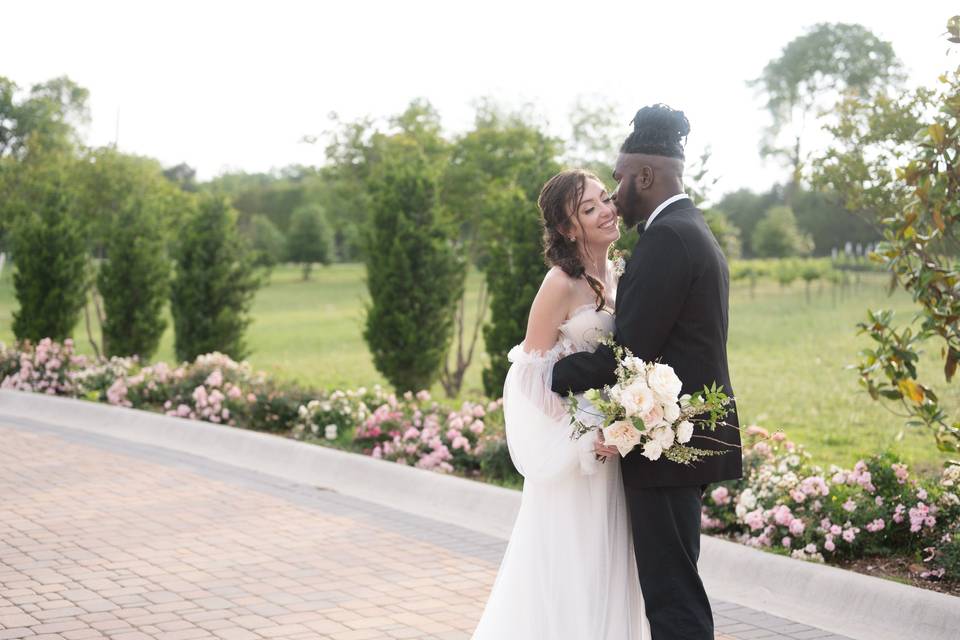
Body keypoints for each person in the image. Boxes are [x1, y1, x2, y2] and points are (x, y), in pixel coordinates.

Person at [551, 104, 743, 640]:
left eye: (618, 179)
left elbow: (629, 351)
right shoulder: (687, 228)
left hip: (668, 448)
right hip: (679, 441)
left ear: (645, 175)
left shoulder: (668, 239)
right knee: (673, 585)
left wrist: (546, 374)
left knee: (671, 595)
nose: (615, 195)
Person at [471, 168, 650, 639]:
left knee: (611, 565)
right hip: (579, 457)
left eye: (604, 199)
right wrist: (588, 431)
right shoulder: (560, 283)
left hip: (617, 450)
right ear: (569, 229)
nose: (607, 211)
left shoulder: (620, 271)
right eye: (588, 209)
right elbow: (528, 377)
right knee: (574, 565)